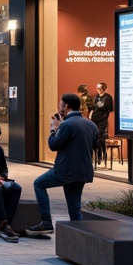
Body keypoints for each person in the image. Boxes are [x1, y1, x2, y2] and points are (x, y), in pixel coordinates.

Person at [27, 93, 100, 233]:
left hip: (65, 169)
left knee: (39, 184)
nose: (59, 107)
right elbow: (94, 146)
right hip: (83, 171)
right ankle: (79, 235)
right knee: (74, 207)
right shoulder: (92, 125)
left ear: (66, 106)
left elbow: (53, 145)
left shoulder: (66, 124)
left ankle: (46, 221)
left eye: (61, 104)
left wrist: (54, 128)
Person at [90, 81, 114, 165]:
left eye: (100, 88)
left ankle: (102, 156)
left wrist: (101, 105)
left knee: (100, 138)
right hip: (94, 120)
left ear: (103, 88)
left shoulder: (107, 97)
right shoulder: (96, 97)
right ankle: (99, 156)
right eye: (97, 88)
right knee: (96, 138)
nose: (98, 90)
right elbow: (93, 107)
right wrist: (91, 114)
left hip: (102, 120)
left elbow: (109, 108)